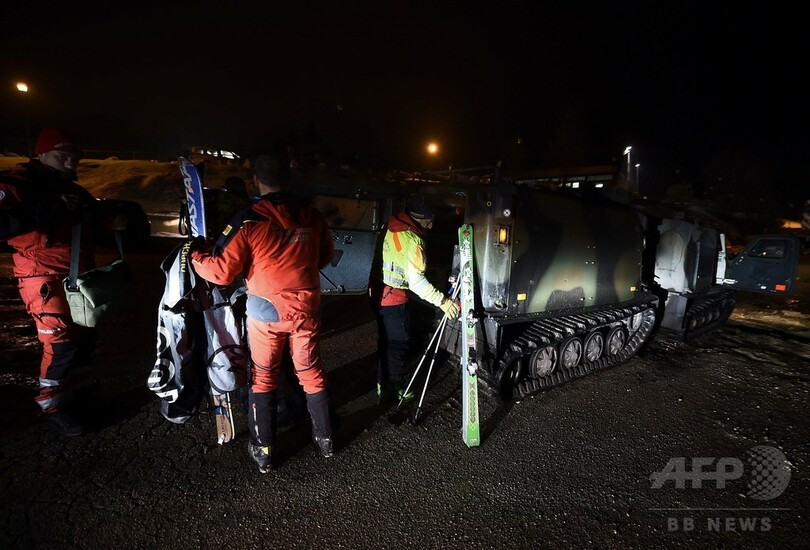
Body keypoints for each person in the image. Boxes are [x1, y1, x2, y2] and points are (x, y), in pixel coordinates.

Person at [190, 154, 336, 473]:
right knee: (311, 373)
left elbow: (222, 272)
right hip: (305, 309)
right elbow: (325, 255)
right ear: (289, 178)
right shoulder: (312, 216)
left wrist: (196, 256)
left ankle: (264, 449)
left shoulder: (249, 220)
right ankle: (326, 440)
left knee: (263, 376)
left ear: (257, 180)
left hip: (266, 313)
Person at [0, 127, 126, 436]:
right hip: (41, 276)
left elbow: (96, 227)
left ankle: (80, 394)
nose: (70, 164)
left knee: (84, 337)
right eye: (62, 157)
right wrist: (54, 206)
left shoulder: (75, 191)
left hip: (78, 277)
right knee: (60, 343)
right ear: (41, 154)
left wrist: (117, 226)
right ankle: (52, 404)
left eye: (75, 158)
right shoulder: (17, 184)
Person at [369, 198, 460, 403]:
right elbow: (417, 283)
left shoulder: (391, 225)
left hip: (377, 292)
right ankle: (394, 388)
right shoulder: (412, 240)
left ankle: (381, 383)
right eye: (430, 220)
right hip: (393, 299)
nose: (432, 224)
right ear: (421, 219)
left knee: (384, 341)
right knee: (397, 344)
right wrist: (443, 302)